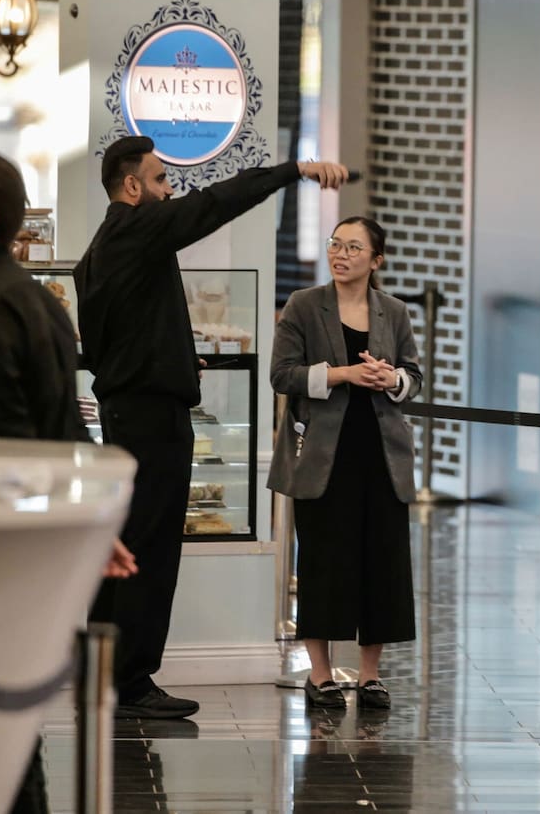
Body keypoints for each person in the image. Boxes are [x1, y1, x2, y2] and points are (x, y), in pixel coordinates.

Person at [77, 135, 350, 719]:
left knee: (126, 544)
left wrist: (171, 357)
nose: (169, 189)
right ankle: (131, 684)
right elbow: (216, 202)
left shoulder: (100, 248)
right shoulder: (137, 228)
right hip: (151, 419)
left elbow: (108, 345)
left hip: (131, 411)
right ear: (132, 186)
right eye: (159, 179)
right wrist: (295, 169)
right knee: (150, 550)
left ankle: (105, 675)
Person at [0, 150, 138, 814]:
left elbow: (2, 447)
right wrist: (91, 524)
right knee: (14, 724)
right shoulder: (39, 299)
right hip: (27, 549)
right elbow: (67, 428)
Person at [268, 216, 421, 711]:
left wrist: (391, 379)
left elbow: (414, 377)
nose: (341, 254)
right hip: (322, 456)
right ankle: (321, 674)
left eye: (354, 248)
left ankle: (371, 675)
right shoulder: (304, 305)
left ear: (376, 260)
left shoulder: (393, 311)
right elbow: (282, 375)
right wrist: (342, 374)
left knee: (383, 563)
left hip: (382, 454)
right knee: (323, 563)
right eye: (336, 244)